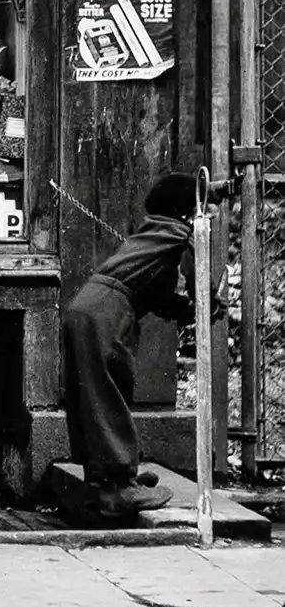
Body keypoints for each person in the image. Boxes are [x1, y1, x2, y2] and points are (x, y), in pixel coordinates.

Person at [61, 172, 210, 522]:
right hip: (107, 312)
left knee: (95, 393)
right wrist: (209, 298)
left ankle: (104, 481)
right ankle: (119, 487)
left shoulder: (151, 236)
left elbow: (158, 297)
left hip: (89, 307)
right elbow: (198, 265)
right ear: (185, 212)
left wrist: (186, 309)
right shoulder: (175, 233)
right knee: (107, 394)